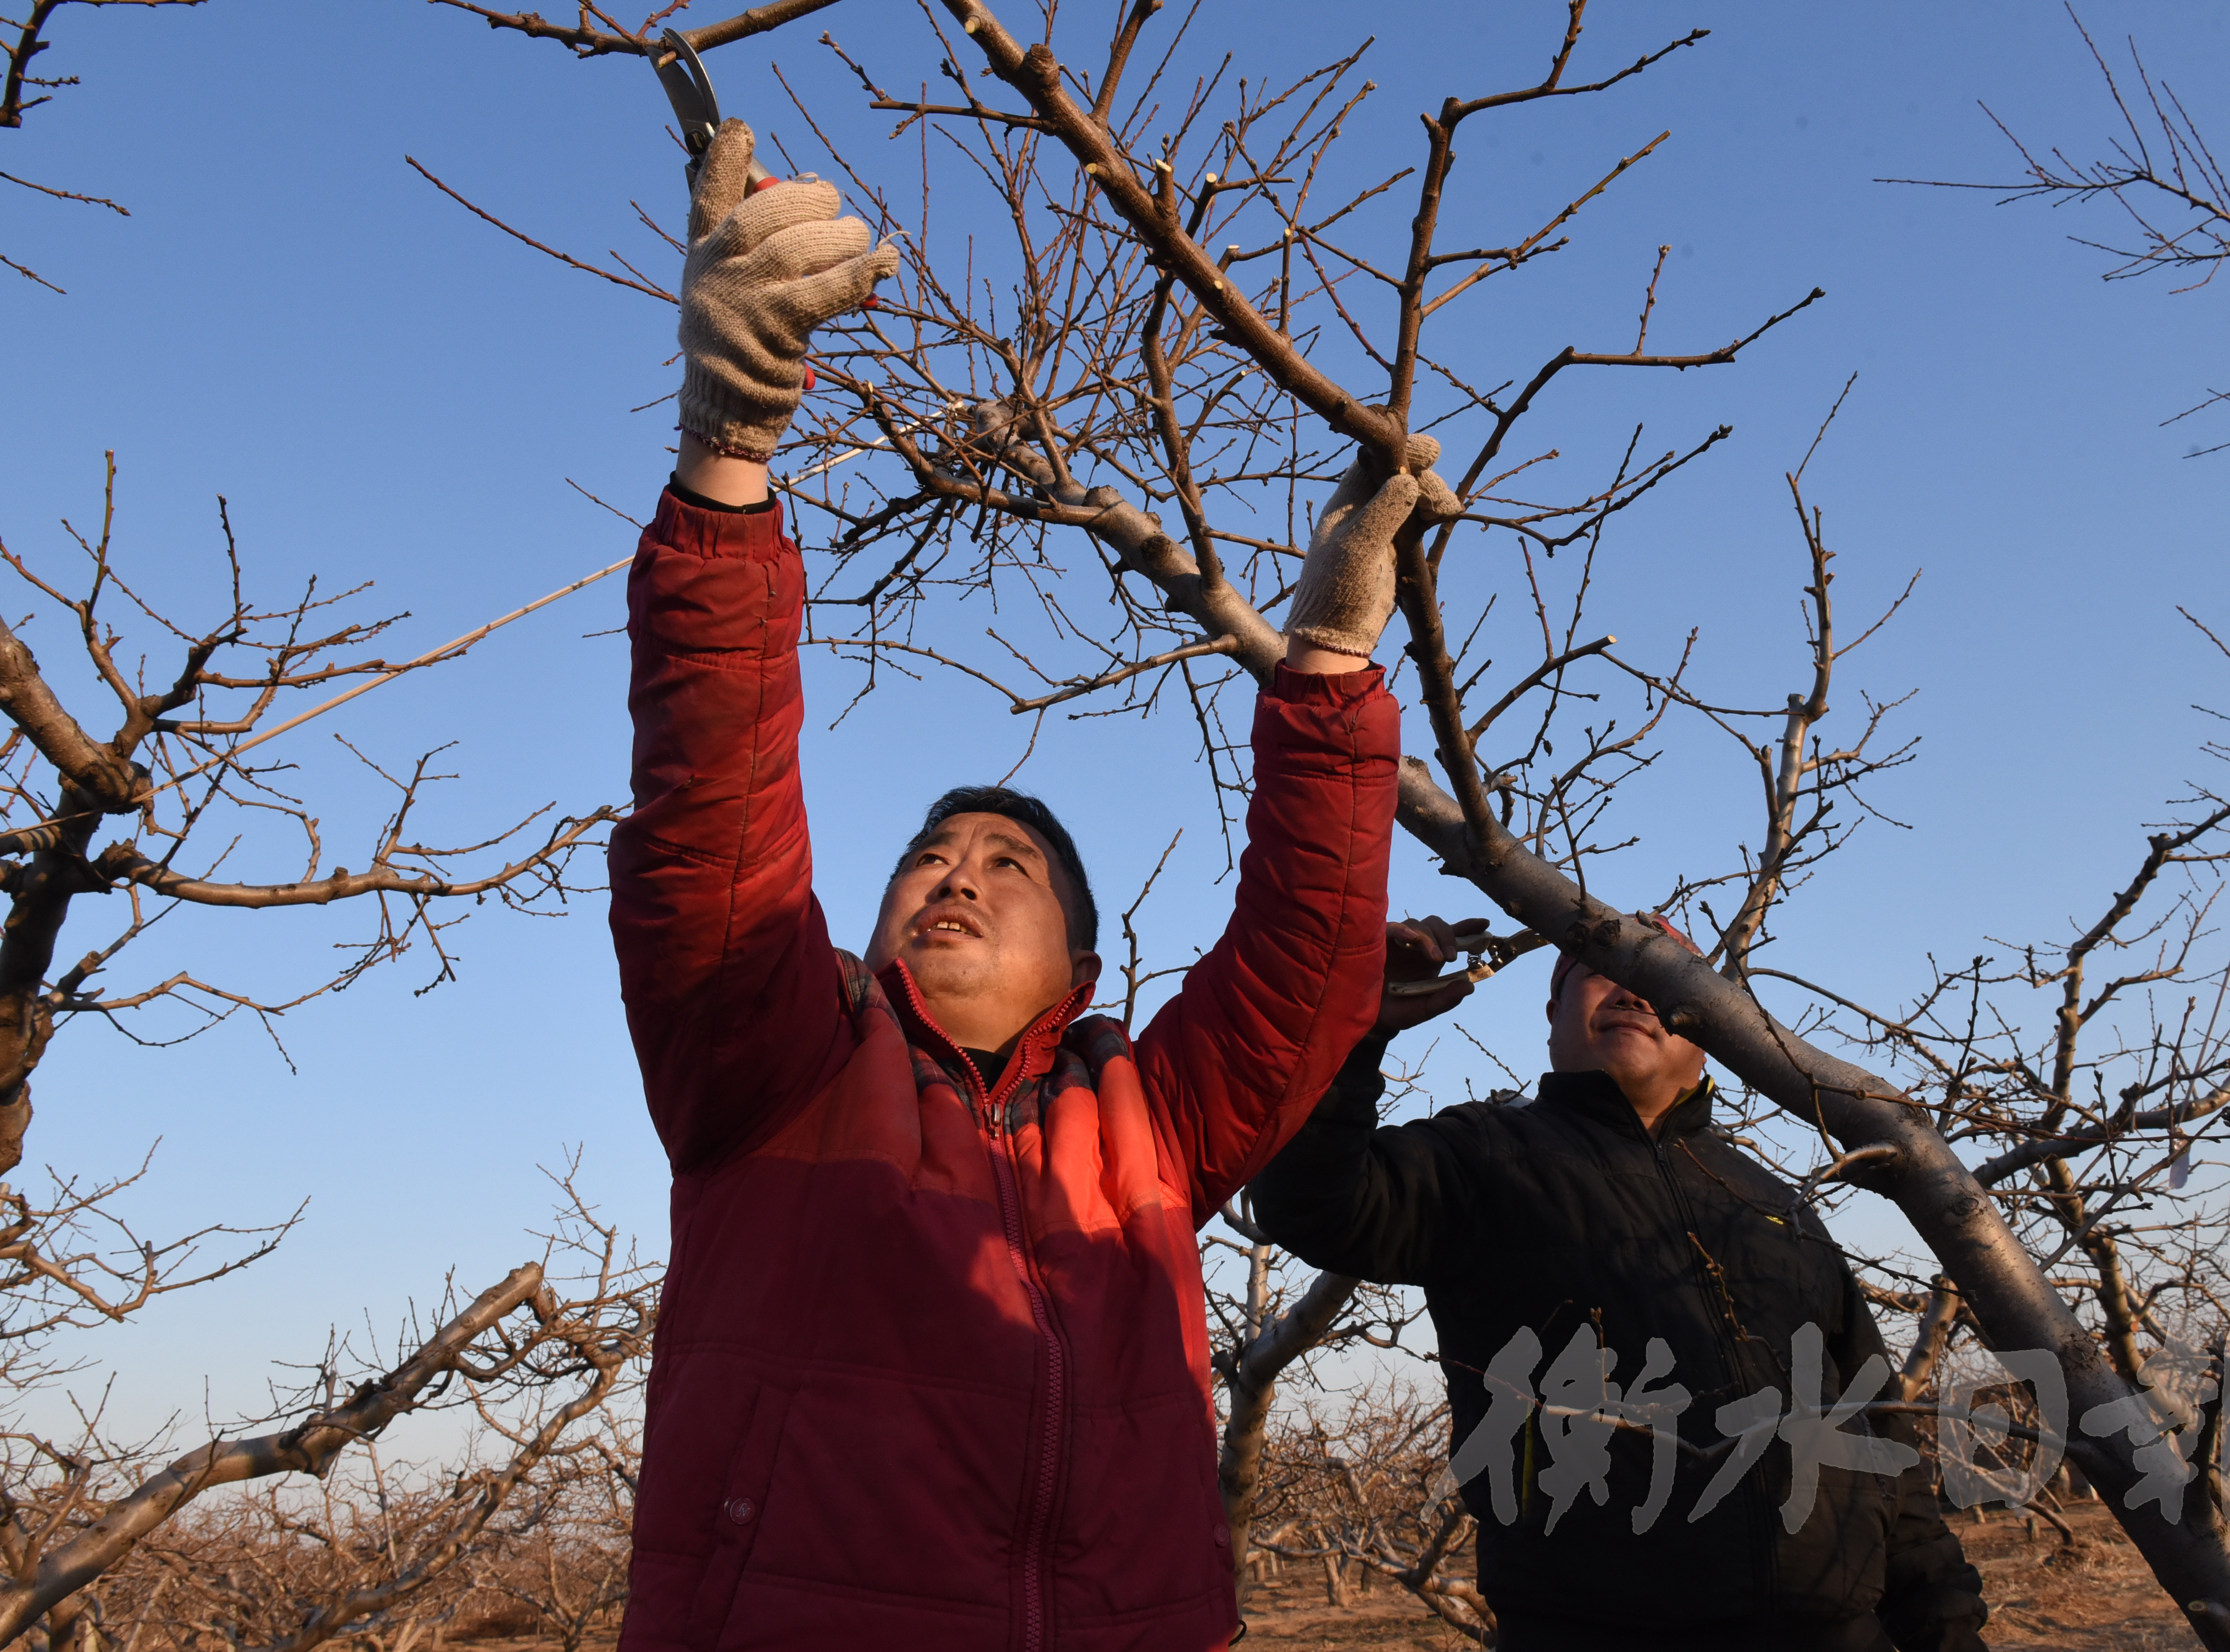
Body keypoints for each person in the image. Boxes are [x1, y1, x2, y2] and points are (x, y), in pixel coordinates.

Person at [606, 120, 1455, 1651]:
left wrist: (1328, 659)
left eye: (1007, 865)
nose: (953, 875)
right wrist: (732, 443)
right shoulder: (774, 1072)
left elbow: (1302, 959)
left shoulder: (1150, 1131)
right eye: (928, 856)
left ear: (1080, 963)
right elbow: (712, 812)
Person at [1248, 919, 1992, 1652]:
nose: (1635, 990)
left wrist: (1948, 1629)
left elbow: (1880, 1429)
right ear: (1553, 1015)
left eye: (1665, 977)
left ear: (1707, 1037)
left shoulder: (1777, 1206)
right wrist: (1352, 1027)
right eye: (1601, 968)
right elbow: (1313, 1203)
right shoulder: (1479, 1159)